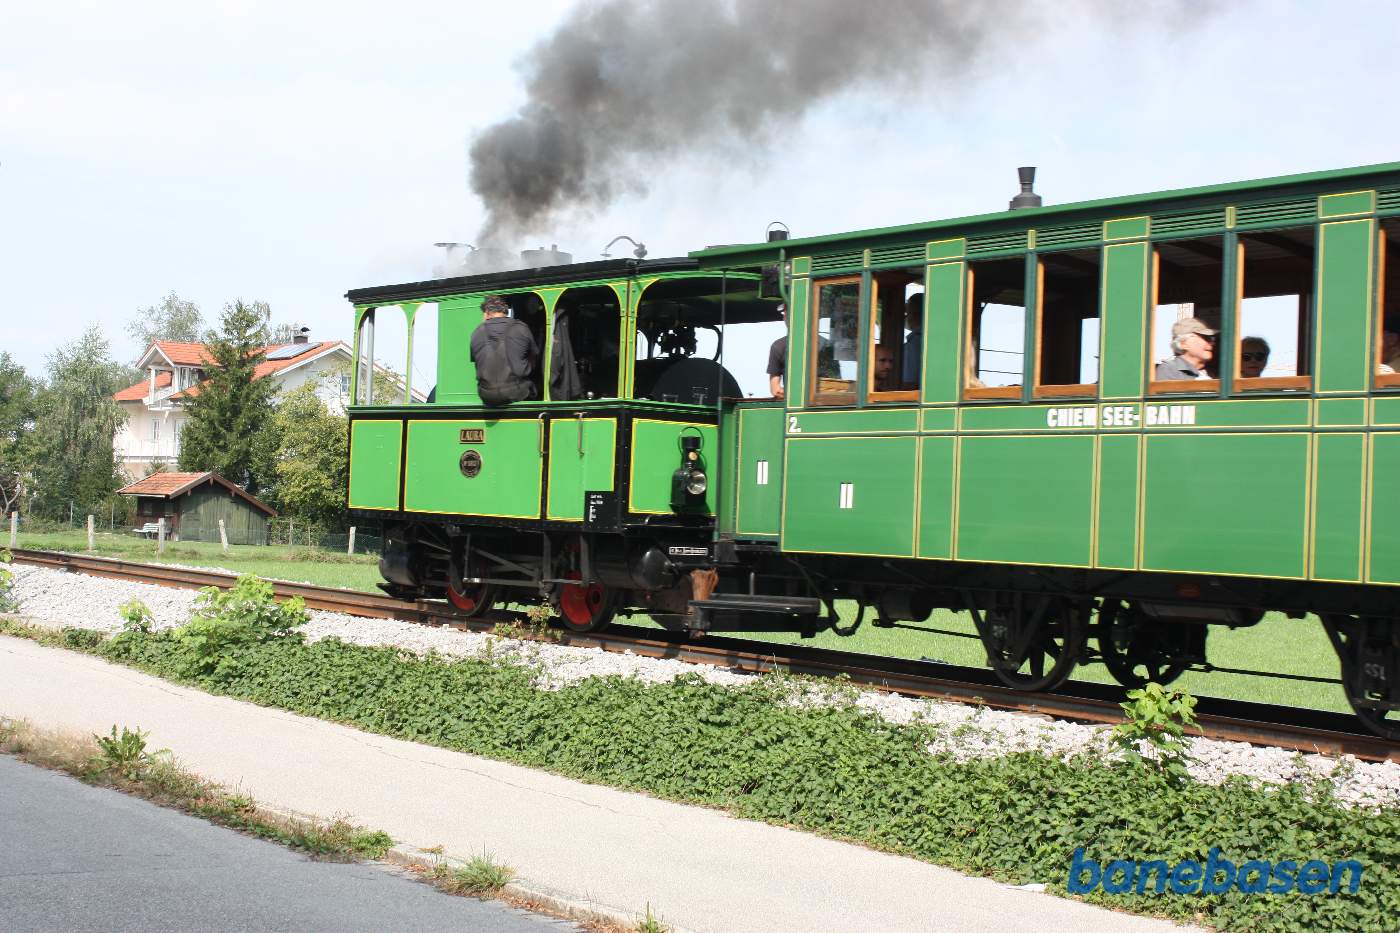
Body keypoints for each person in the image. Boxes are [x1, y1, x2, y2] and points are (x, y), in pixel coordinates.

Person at [470, 295, 538, 405]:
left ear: (487, 312)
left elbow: (478, 363)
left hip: (486, 395)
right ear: (505, 311)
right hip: (516, 392)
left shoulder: (476, 333)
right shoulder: (522, 328)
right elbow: (534, 359)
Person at [767, 301, 839, 398]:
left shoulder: (826, 345)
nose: (785, 318)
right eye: (785, 315)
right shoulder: (778, 347)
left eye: (787, 314)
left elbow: (775, 389)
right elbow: (775, 389)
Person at [901, 295, 924, 388]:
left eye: (908, 313)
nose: (906, 316)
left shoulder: (913, 344)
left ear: (915, 314)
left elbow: (908, 382)